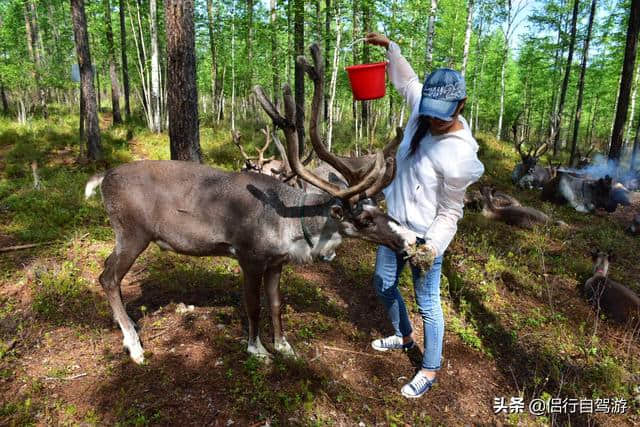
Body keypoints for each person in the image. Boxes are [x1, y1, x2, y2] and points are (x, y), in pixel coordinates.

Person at [364, 32, 484, 399]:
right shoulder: (424, 108)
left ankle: (430, 367)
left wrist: (430, 247)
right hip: (393, 225)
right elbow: (408, 82)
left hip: (423, 239)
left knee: (428, 302)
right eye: (429, 113)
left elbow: (450, 211)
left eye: (441, 116)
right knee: (383, 284)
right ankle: (403, 336)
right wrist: (391, 49)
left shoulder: (461, 155)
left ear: (460, 105)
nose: (432, 121)